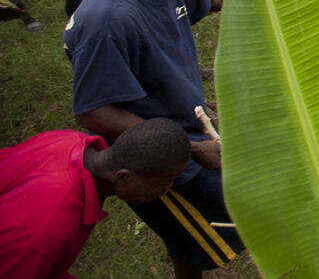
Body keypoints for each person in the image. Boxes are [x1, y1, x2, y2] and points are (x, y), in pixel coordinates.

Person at [65, 0, 243, 276]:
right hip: (161, 160)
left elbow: (210, 0)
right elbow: (94, 111)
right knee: (227, 226)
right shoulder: (109, 20)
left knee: (187, 241)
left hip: (186, 133)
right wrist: (192, 149)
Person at [0, 119, 190, 279]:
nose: (167, 190)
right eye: (164, 182)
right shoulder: (46, 231)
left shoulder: (72, 140)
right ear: (125, 177)